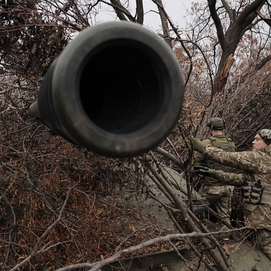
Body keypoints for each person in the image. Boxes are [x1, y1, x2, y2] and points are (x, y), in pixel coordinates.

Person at [190, 129, 271, 260]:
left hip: (263, 217)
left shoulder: (260, 158)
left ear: (267, 143)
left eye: (257, 139)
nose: (253, 142)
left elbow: (227, 157)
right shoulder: (265, 161)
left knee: (267, 249)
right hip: (262, 216)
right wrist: (214, 173)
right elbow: (242, 180)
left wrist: (202, 147)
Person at [193, 117, 237, 228]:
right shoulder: (231, 144)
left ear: (211, 128)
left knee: (195, 207)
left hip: (212, 187)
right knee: (225, 215)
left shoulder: (207, 143)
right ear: (223, 128)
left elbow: (195, 164)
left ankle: (196, 232)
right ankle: (226, 234)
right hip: (228, 187)